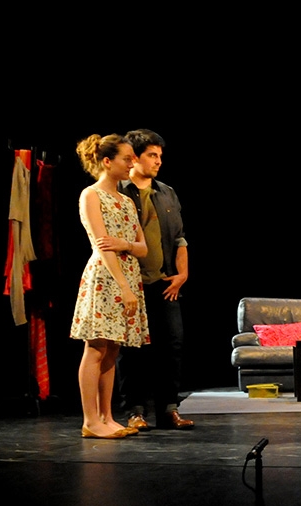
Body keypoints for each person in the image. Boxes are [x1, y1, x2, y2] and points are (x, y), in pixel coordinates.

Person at [71, 134, 149, 439]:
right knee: (96, 347)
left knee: (113, 349)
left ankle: (107, 416)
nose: (132, 163)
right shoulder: (91, 195)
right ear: (107, 161)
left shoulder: (126, 200)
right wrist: (124, 288)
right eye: (127, 158)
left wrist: (125, 244)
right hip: (106, 278)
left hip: (128, 275)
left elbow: (142, 248)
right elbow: (102, 246)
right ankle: (91, 420)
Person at [118, 129, 194, 430]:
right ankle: (134, 411)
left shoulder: (167, 192)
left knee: (172, 346)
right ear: (134, 158)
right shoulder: (119, 193)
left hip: (165, 283)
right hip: (131, 283)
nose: (158, 161)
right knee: (132, 350)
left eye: (160, 156)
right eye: (152, 155)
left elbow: (179, 239)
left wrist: (183, 274)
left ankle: (168, 409)